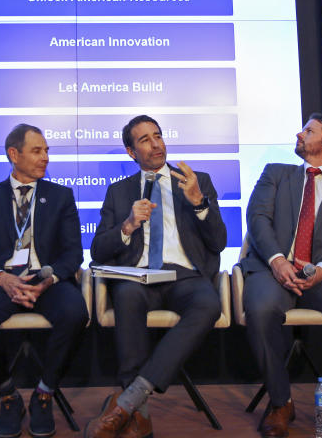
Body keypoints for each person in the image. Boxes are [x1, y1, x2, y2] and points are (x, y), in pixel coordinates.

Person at [85, 115, 226, 438]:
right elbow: (97, 250)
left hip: (185, 276)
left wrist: (198, 203)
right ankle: (140, 413)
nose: (156, 143)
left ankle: (128, 401)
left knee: (208, 305)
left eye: (158, 136)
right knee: (127, 296)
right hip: (140, 276)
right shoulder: (119, 192)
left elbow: (218, 241)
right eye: (145, 139)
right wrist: (128, 225)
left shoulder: (195, 180)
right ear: (131, 152)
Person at [242, 113, 322, 438]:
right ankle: (280, 402)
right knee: (259, 310)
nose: (299, 134)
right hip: (273, 270)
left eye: (308, 130)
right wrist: (276, 261)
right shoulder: (276, 173)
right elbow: (257, 218)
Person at [0, 123, 88, 438]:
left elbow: (73, 254)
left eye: (47, 150)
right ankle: (7, 395)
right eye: (37, 150)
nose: (45, 157)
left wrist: (47, 280)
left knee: (76, 313)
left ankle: (44, 393)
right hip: (2, 283)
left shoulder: (61, 197)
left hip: (46, 282)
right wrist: (2, 278)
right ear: (13, 154)